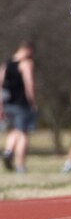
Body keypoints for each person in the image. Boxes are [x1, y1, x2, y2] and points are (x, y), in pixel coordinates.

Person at [0, 41, 37, 174]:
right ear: (27, 49)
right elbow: (29, 84)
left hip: (8, 104)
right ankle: (20, 165)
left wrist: (1, 106)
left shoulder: (6, 65)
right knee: (23, 133)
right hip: (22, 103)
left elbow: (1, 85)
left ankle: (8, 151)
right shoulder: (26, 64)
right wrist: (32, 101)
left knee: (14, 130)